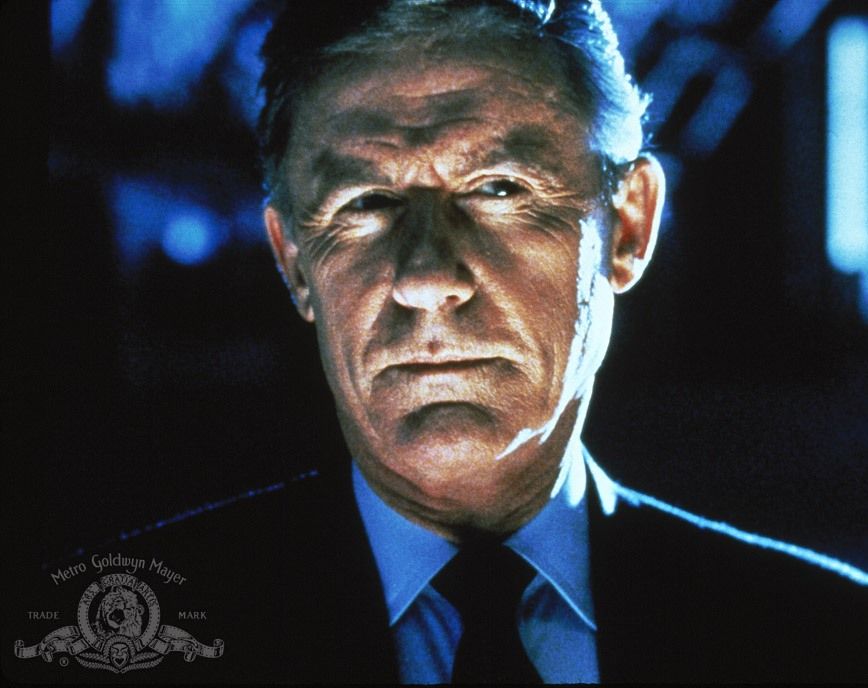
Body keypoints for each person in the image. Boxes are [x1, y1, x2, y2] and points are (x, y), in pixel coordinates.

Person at [11, 1, 864, 684]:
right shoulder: (90, 650)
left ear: (629, 227)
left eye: (499, 189)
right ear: (294, 262)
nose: (425, 275)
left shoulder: (831, 641)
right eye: (364, 203)